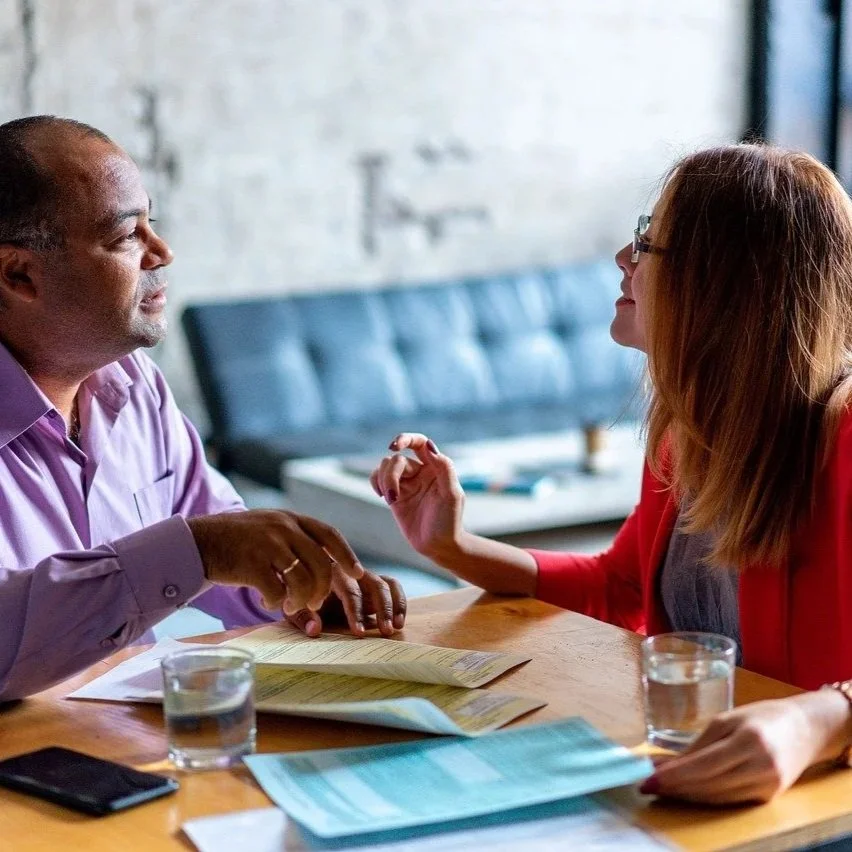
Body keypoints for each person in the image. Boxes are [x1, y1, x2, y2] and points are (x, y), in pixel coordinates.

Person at [371, 144, 852, 805]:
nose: (624, 260)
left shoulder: (845, 435)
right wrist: (454, 546)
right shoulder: (691, 436)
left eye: (647, 242)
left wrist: (820, 719)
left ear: (720, 280)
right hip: (701, 793)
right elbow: (619, 587)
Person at [0, 115, 406, 702]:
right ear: (19, 274)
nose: (162, 252)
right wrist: (199, 550)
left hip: (115, 740)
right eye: (125, 237)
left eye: (152, 225)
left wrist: (311, 589)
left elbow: (220, 532)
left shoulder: (134, 386)